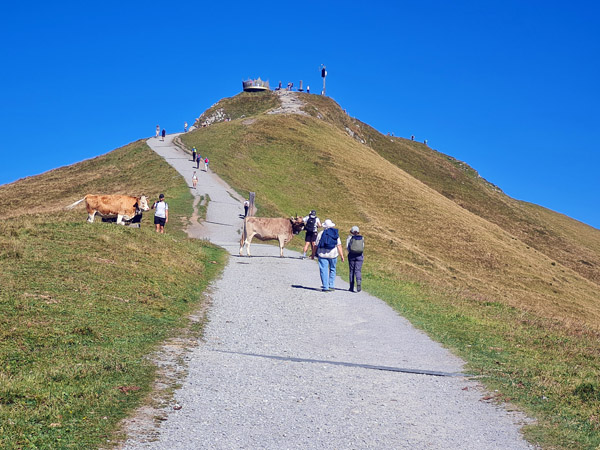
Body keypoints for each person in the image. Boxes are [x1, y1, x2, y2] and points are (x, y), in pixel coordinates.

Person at [312, 219, 344, 291]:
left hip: (322, 254)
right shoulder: (335, 233)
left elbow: (316, 245)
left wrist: (313, 254)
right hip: (333, 254)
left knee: (324, 269)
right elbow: (339, 245)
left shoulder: (320, 233)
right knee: (332, 269)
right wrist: (342, 255)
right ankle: (331, 284)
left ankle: (325, 286)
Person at [346, 226, 364, 292]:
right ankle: (358, 281)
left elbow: (347, 247)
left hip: (351, 255)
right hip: (360, 255)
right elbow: (363, 247)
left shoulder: (349, 238)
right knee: (358, 270)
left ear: (351, 231)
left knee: (351, 271)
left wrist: (350, 251)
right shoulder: (362, 238)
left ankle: (351, 287)